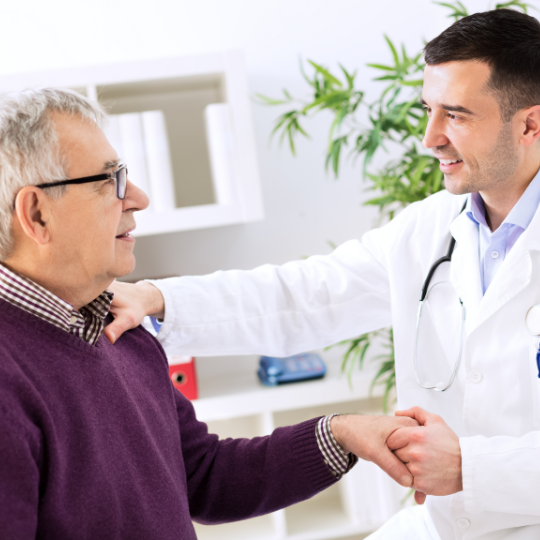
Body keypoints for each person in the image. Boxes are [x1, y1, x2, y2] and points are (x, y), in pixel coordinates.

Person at [106, 9, 540, 540]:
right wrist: (157, 300)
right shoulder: (427, 230)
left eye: (456, 115)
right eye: (429, 109)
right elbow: (304, 295)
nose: (429, 138)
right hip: (443, 525)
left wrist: (473, 468)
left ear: (529, 124)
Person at [0, 87, 421, 539]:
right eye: (110, 181)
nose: (138, 198)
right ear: (37, 214)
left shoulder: (119, 329)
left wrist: (340, 434)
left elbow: (202, 475)